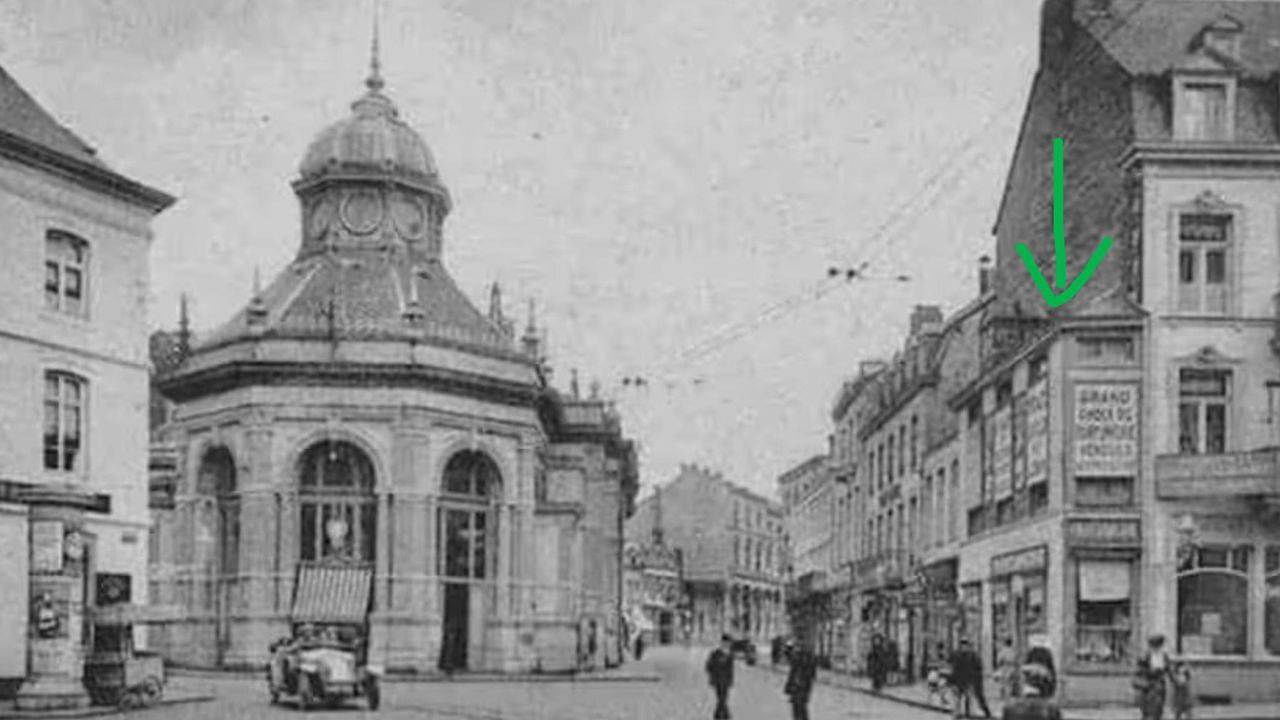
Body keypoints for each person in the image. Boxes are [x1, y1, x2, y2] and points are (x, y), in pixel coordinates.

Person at [949, 638, 993, 719]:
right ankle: (958, 714)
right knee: (958, 698)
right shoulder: (956, 654)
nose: (964, 646)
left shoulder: (973, 655)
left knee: (968, 697)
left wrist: (975, 679)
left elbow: (978, 668)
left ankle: (967, 713)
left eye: (965, 644)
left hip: (968, 680)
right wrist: (952, 680)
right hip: (959, 680)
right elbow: (952, 667)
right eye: (962, 644)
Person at [1134, 634, 1174, 720]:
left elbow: (1168, 669)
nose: (1156, 648)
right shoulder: (1145, 656)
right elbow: (1139, 671)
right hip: (1148, 685)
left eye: (1158, 645)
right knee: (1146, 709)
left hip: (1159, 685)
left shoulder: (1164, 656)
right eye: (1154, 645)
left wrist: (1173, 679)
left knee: (1158, 708)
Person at [784, 638, 819, 720]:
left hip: (800, 686)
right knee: (799, 708)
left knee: (799, 708)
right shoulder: (801, 656)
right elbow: (788, 654)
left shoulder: (805, 657)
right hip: (799, 686)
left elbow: (811, 674)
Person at [705, 634, 735, 719]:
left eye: (729, 643)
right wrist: (714, 675)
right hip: (718, 680)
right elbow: (708, 666)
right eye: (726, 643)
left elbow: (730, 669)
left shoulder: (730, 654)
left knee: (722, 699)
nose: (728, 645)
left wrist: (731, 680)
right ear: (722, 643)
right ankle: (724, 716)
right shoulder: (715, 653)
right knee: (722, 699)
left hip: (726, 681)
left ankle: (720, 716)